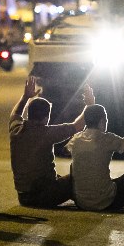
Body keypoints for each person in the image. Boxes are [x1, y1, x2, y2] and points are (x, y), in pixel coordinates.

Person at [10, 77, 92, 208]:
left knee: (61, 179)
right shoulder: (45, 133)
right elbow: (78, 126)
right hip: (41, 195)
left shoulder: (16, 129)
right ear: (46, 117)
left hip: (23, 196)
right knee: (77, 177)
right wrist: (89, 105)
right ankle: (104, 197)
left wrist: (25, 97)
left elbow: (15, 114)